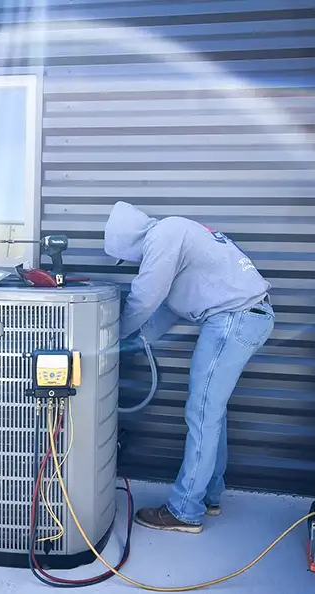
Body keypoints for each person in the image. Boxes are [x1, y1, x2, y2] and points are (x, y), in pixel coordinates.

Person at [104, 201, 275, 534]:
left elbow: (144, 298)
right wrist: (132, 343)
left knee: (201, 413)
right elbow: (165, 311)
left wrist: (111, 335)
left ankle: (184, 510)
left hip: (234, 318)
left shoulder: (164, 234)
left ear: (129, 241)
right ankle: (209, 494)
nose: (133, 263)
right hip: (247, 317)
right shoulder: (179, 238)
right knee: (212, 412)